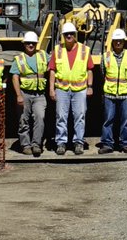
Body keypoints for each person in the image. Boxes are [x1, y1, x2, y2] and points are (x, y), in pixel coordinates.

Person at [49, 22, 94, 155]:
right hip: (62, 89)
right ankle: (61, 143)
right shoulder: (57, 50)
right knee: (61, 116)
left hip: (79, 89)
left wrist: (90, 86)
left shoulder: (84, 50)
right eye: (66, 34)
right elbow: (52, 70)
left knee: (79, 116)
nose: (68, 36)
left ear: (75, 35)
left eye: (71, 34)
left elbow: (89, 70)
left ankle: (78, 142)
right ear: (62, 36)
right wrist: (51, 89)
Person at [10, 31, 49, 156]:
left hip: (39, 95)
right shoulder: (19, 59)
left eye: (33, 43)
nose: (31, 45)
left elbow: (54, 64)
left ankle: (36, 144)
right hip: (24, 94)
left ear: (37, 44)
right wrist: (18, 95)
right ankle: (25, 145)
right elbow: (15, 77)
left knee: (40, 118)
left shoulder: (43, 55)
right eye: (28, 43)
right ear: (24, 44)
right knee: (23, 120)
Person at [98, 29, 127, 154]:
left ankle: (125, 144)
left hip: (126, 94)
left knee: (126, 120)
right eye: (116, 41)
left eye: (120, 41)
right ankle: (107, 144)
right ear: (112, 42)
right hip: (110, 93)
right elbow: (103, 73)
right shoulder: (106, 57)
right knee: (108, 120)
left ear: (123, 42)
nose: (118, 43)